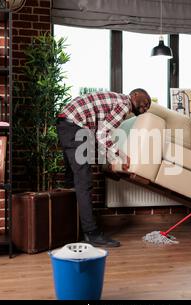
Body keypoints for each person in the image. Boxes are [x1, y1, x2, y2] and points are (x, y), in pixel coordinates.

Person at [56, 89, 151, 247]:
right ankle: (92, 233)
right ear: (134, 95)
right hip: (75, 126)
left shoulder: (115, 100)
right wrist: (120, 156)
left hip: (66, 122)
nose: (145, 108)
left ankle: (70, 229)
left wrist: (109, 160)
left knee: (72, 180)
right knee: (84, 182)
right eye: (145, 103)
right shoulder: (124, 104)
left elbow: (100, 135)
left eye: (148, 107)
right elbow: (102, 134)